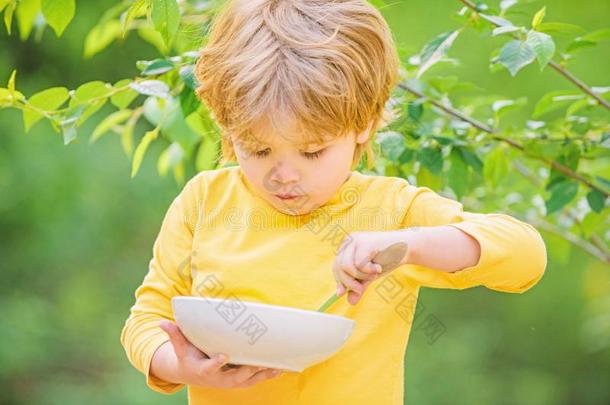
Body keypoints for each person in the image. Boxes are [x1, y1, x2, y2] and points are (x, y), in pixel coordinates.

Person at [120, 0, 547, 403]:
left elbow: (525, 255)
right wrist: (179, 365)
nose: (283, 175)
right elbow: (146, 319)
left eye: (312, 152)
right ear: (227, 128)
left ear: (366, 122)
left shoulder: (389, 211)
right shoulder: (205, 201)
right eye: (258, 149)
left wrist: (409, 244)